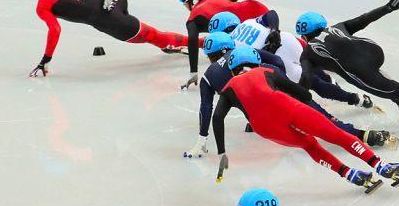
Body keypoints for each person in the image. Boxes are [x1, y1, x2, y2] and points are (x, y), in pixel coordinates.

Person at [212, 46, 399, 188]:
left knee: (309, 145)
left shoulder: (227, 89)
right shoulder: (265, 71)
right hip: (286, 107)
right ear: (255, 62)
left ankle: (349, 174)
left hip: (265, 127)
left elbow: (217, 117)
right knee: (337, 135)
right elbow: (304, 94)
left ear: (232, 70)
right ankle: (380, 166)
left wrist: (222, 152)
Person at [184, 33, 394, 159]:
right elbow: (275, 62)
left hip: (262, 116)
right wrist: (280, 81)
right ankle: (361, 132)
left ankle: (355, 126)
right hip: (275, 85)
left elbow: (207, 109)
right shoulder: (244, 50)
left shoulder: (208, 77)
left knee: (307, 130)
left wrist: (202, 140)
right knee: (320, 117)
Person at [210, 11, 374, 108]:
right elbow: (271, 14)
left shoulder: (229, 49)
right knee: (312, 68)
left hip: (275, 56)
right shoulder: (246, 23)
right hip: (286, 39)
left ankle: (354, 99)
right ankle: (339, 84)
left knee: (310, 84)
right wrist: (274, 30)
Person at [31, 0, 202, 77]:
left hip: (113, 22)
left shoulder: (43, 6)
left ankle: (202, 43)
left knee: (155, 36)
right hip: (112, 5)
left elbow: (55, 29)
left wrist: (45, 59)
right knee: (155, 37)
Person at [179, 0, 269, 89]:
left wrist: (193, 72)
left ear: (187, 2)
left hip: (245, 22)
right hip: (257, 11)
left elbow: (192, 40)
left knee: (219, 47)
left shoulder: (192, 18)